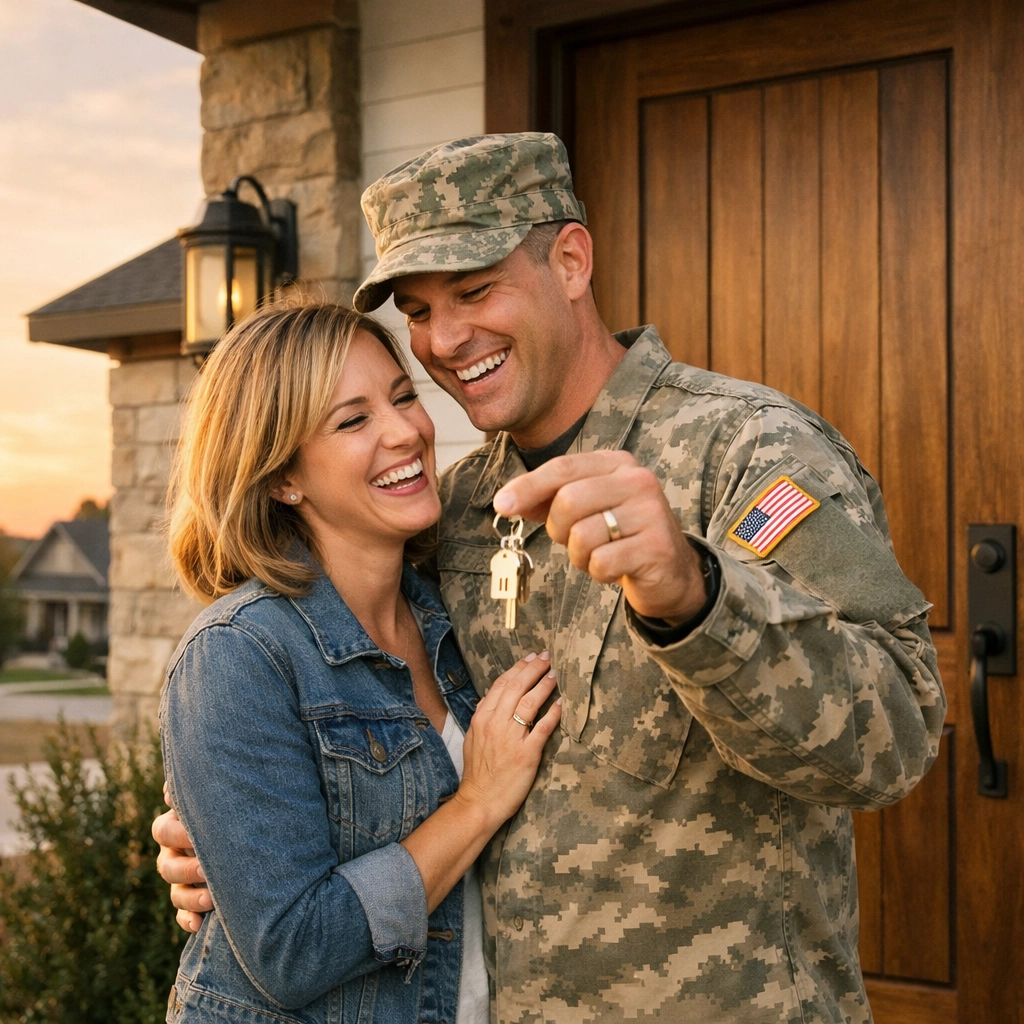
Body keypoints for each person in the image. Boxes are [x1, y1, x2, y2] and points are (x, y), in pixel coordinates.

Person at [156, 134, 946, 1024]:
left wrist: (695, 598)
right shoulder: (448, 511)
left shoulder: (751, 452)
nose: (445, 341)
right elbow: (354, 729)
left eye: (476, 289)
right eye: (418, 309)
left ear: (570, 261)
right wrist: (229, 846)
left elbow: (900, 738)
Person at [157, 301, 561, 1022]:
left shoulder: (456, 613)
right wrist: (476, 802)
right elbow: (290, 951)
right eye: (353, 420)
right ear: (284, 477)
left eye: (403, 396)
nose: (406, 431)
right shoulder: (239, 654)